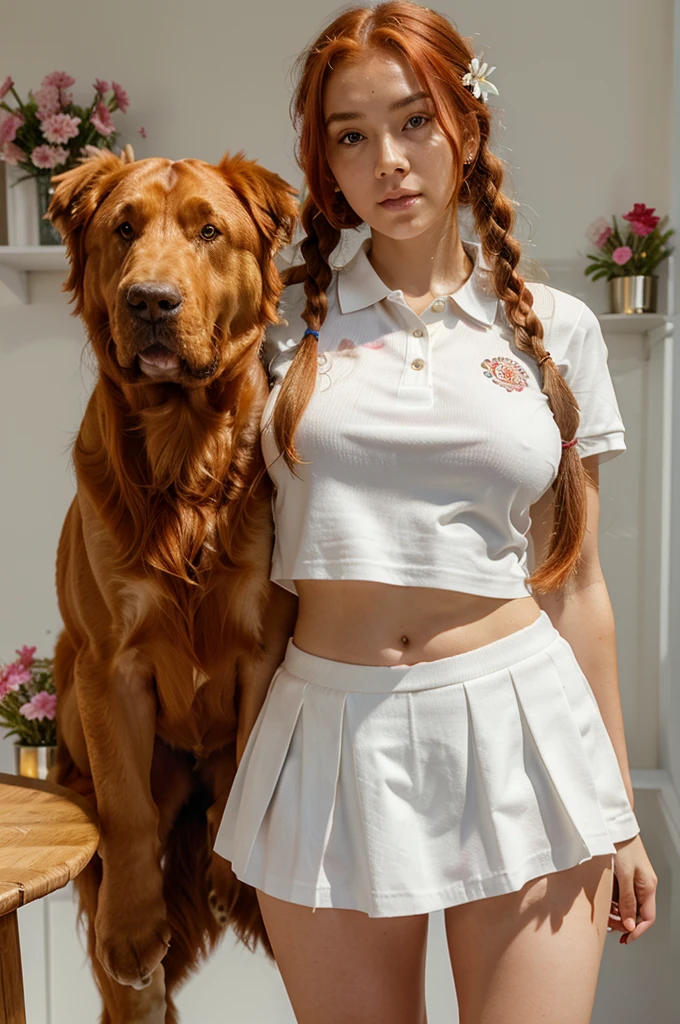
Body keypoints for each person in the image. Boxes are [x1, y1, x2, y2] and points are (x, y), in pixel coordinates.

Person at [214, 3, 658, 1020]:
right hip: (323, 739)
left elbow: (579, 584)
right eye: (351, 135)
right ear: (323, 162)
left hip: (522, 730)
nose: (390, 161)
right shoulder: (273, 328)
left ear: (468, 119)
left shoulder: (556, 331)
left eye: (415, 120)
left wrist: (616, 811)